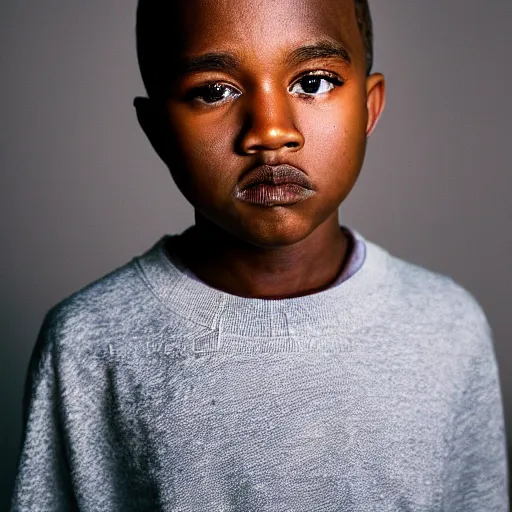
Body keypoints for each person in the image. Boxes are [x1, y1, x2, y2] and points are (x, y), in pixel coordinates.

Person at [11, 0, 509, 510]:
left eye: (313, 82)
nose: (270, 131)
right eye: (213, 91)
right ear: (158, 130)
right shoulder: (89, 341)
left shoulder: (448, 327)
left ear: (369, 105)